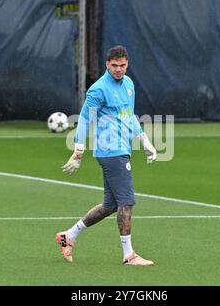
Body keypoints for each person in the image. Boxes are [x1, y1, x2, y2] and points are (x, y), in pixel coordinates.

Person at [56, 45, 157, 266]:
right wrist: (78, 150)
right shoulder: (98, 89)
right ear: (107, 65)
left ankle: (68, 236)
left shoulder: (129, 85)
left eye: (122, 65)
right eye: (114, 66)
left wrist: (145, 140)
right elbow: (84, 119)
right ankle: (129, 255)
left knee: (110, 205)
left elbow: (128, 116)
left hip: (123, 149)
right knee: (127, 202)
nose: (119, 70)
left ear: (127, 64)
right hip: (111, 152)